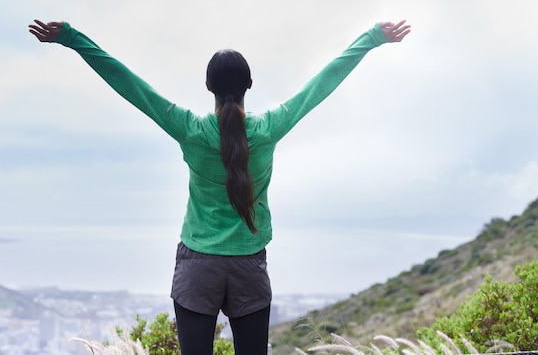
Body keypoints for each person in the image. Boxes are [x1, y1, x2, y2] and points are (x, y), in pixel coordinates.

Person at [29, 18, 410, 355]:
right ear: (250, 85)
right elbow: (321, 84)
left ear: (207, 86)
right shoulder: (268, 128)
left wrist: (72, 38)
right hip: (249, 264)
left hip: (198, 264)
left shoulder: (191, 129)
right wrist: (373, 37)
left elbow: (132, 86)